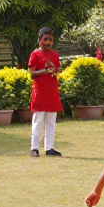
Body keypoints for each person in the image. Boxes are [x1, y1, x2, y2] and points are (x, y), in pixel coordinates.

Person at [27, 27, 62, 158]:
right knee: (38, 121)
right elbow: (32, 74)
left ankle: (49, 148)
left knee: (51, 122)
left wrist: (55, 70)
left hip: (52, 91)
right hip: (40, 92)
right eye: (45, 39)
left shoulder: (54, 54)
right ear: (40, 40)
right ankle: (34, 147)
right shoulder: (35, 54)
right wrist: (45, 71)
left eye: (50, 40)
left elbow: (57, 68)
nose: (48, 42)